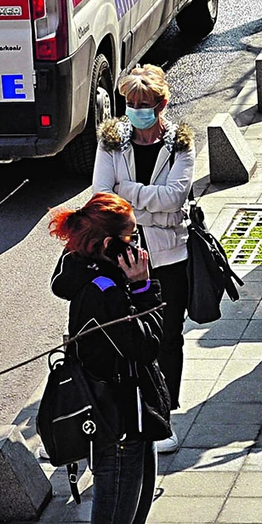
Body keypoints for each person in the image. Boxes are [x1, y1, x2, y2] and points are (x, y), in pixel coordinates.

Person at [49, 192, 171, 524]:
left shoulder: (96, 274)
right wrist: (143, 288)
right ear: (108, 244)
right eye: (132, 237)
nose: (138, 245)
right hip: (119, 431)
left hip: (135, 422)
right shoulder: (103, 291)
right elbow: (148, 345)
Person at [93, 64, 194, 454]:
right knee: (124, 334)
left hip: (169, 256)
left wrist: (128, 193)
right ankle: (126, 410)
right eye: (131, 104)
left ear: (161, 104)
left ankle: (164, 415)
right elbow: (102, 195)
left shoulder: (180, 144)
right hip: (123, 255)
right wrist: (148, 204)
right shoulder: (111, 142)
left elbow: (175, 197)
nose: (136, 110)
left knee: (167, 337)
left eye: (144, 104)